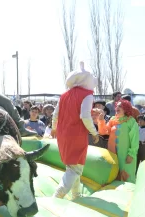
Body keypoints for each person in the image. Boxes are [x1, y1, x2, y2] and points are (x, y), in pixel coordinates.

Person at [50, 61, 99, 200]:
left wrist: (54, 128)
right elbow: (84, 116)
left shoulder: (64, 95)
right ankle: (57, 196)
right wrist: (94, 132)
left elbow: (55, 115)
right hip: (76, 135)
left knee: (73, 166)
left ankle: (76, 195)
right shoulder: (87, 95)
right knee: (75, 168)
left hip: (63, 134)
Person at [98, 100, 139, 183]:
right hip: (113, 154)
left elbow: (135, 139)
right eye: (117, 106)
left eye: (120, 106)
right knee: (114, 174)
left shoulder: (131, 121)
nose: (117, 108)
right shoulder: (113, 120)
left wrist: (131, 154)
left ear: (126, 109)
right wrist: (101, 121)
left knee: (127, 176)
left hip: (126, 155)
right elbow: (103, 131)